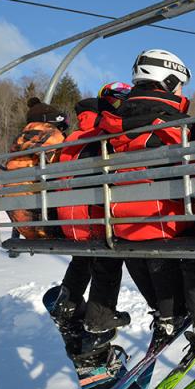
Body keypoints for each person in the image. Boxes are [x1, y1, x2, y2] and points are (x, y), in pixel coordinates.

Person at [97, 50, 195, 342]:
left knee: (141, 240)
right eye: (180, 85)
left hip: (121, 221)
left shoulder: (110, 123)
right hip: (164, 221)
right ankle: (192, 314)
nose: (181, 92)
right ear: (169, 79)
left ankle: (164, 313)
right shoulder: (170, 123)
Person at [46, 83, 135, 359]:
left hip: (68, 221)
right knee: (108, 259)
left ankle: (68, 303)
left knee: (82, 259)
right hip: (92, 219)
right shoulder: (103, 135)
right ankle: (99, 320)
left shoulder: (72, 138)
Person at [2, 97, 68, 240]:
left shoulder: (22, 139)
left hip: (19, 215)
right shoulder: (51, 134)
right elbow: (64, 162)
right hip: (41, 219)